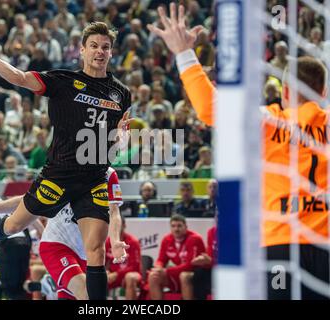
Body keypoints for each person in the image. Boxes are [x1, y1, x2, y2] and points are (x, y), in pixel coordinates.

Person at [149, 3, 330, 299]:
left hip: (278, 244)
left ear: (284, 91)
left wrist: (183, 53)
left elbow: (210, 109)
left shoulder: (268, 120)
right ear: (322, 92)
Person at [0, 20, 132, 299]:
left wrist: (121, 140)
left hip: (95, 178)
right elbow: (17, 76)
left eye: (106, 47)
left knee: (96, 251)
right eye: (94, 46)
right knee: (14, 224)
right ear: (82, 50)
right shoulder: (62, 81)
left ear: (111, 52)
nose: (100, 51)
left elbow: (117, 140)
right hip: (59, 173)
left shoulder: (121, 93)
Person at [0, 167, 126, 300]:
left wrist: (116, 241)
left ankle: (48, 285)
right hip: (56, 246)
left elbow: (114, 211)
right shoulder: (64, 169)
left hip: (85, 254)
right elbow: (27, 200)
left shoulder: (109, 174)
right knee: (87, 293)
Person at [147, 214, 206, 300]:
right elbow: (161, 259)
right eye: (173, 226)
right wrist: (158, 267)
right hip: (177, 272)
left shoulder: (195, 239)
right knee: (153, 276)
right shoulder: (166, 240)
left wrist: (167, 271)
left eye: (179, 226)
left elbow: (190, 265)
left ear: (186, 227)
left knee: (184, 275)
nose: (176, 229)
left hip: (196, 274)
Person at [105, 214, 142, 300]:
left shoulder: (133, 242)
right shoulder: (108, 242)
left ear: (124, 225)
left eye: (118, 225)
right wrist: (105, 272)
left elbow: (135, 267)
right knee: (94, 277)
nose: (115, 227)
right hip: (113, 276)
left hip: (130, 274)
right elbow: (102, 262)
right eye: (112, 225)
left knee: (130, 277)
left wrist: (117, 274)